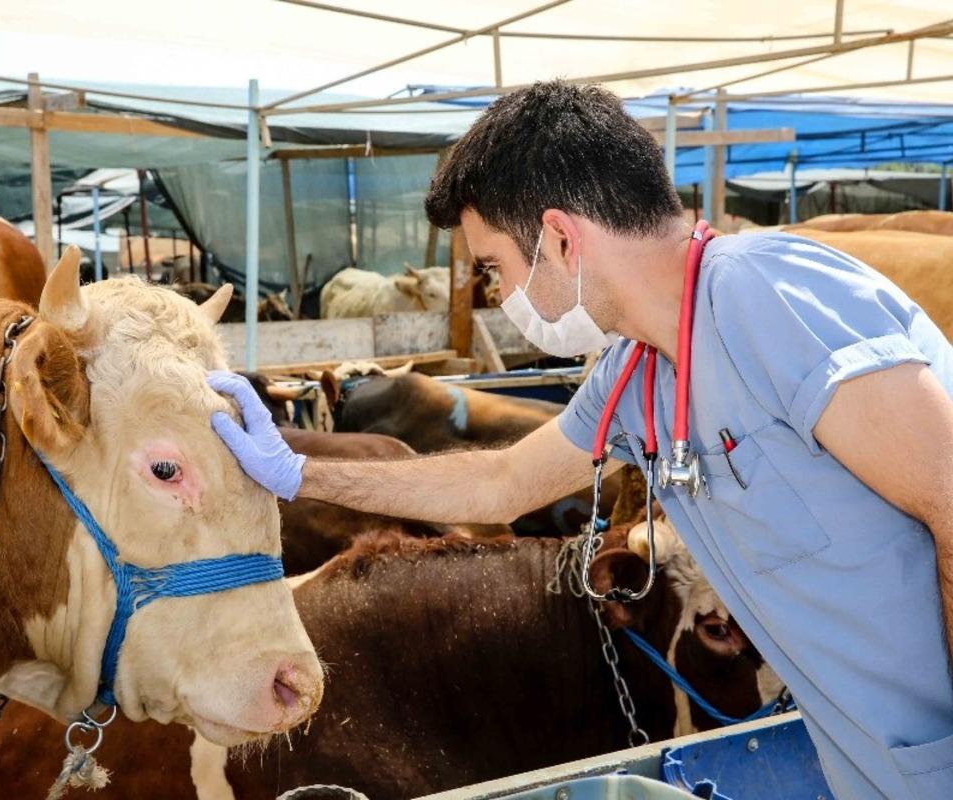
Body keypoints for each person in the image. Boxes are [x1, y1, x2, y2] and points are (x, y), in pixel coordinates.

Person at [206, 81, 953, 800]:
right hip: (877, 763)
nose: (501, 297)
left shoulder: (769, 295)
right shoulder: (636, 370)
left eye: (495, 268)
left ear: (560, 238)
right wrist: (296, 471)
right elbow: (498, 486)